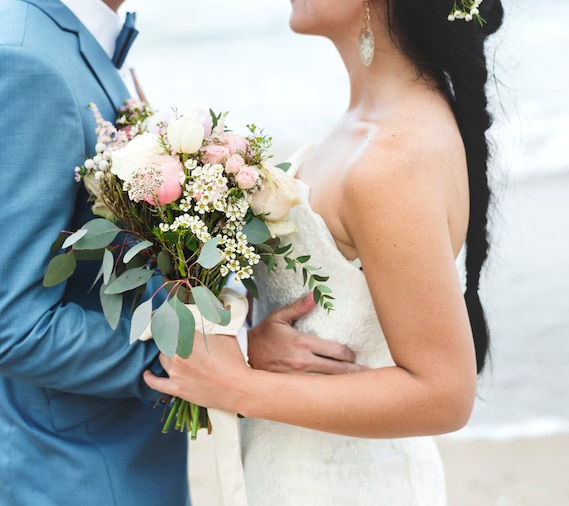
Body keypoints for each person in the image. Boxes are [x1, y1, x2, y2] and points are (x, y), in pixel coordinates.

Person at [144, 0, 505, 504]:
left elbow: (445, 395)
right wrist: (253, 347)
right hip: (297, 472)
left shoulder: (393, 157)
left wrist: (237, 386)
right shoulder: (372, 122)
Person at [0, 1, 360, 503]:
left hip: (126, 454)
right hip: (74, 471)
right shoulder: (26, 60)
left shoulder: (74, 40)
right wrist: (223, 354)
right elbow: (13, 324)